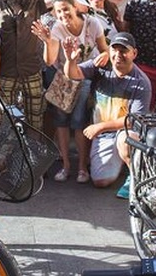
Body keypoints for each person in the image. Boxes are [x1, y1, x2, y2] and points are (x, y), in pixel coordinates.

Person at [32, 0, 108, 184]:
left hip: (85, 77)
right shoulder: (57, 28)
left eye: (66, 9)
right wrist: (47, 42)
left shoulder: (92, 24)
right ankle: (66, 165)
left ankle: (82, 167)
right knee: (61, 121)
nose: (63, 14)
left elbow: (104, 49)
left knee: (79, 121)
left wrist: (103, 57)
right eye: (58, 11)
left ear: (75, 7)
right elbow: (49, 61)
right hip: (64, 78)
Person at [62, 32, 150, 192]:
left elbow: (134, 120)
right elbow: (72, 74)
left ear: (134, 53)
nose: (118, 55)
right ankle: (121, 162)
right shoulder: (101, 66)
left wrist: (100, 127)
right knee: (100, 181)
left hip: (125, 130)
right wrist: (70, 60)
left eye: (124, 50)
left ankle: (136, 175)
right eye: (114, 49)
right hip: (104, 134)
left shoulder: (142, 82)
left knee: (125, 140)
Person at [0, 0, 50, 130]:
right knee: (0, 119)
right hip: (6, 71)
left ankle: (32, 155)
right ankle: (3, 155)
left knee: (36, 121)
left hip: (31, 70)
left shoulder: (38, 3)